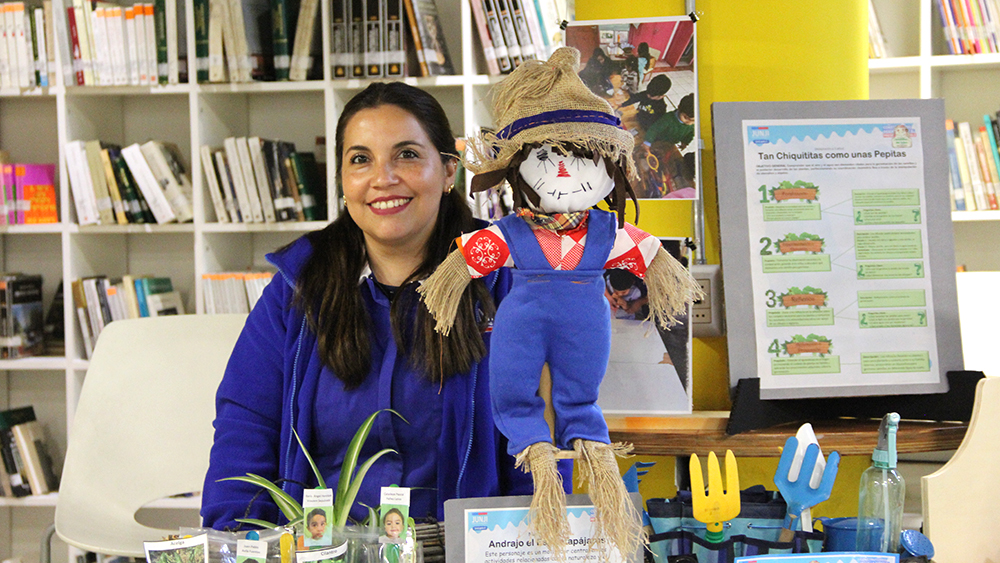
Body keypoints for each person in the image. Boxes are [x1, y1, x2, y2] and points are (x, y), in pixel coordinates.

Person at [200, 82, 566, 532]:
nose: (382, 178)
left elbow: (543, 443)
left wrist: (531, 545)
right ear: (342, 180)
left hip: (467, 549)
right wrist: (239, 541)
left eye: (407, 155)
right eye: (360, 160)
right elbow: (246, 425)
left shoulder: (508, 279)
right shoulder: (298, 287)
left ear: (449, 170)